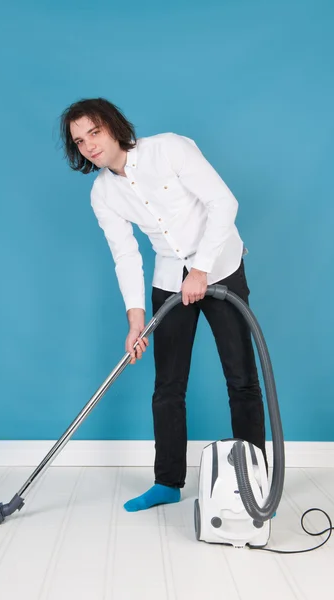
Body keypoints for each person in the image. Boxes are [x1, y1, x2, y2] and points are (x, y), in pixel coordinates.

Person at [60, 97, 266, 512]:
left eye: (94, 132)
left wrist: (203, 269)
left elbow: (223, 203)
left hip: (220, 265)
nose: (90, 145)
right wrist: (135, 321)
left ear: (113, 125)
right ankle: (167, 482)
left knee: (241, 379)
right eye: (80, 141)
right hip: (170, 279)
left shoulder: (168, 148)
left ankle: (255, 483)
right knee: (167, 387)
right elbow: (126, 255)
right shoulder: (102, 193)